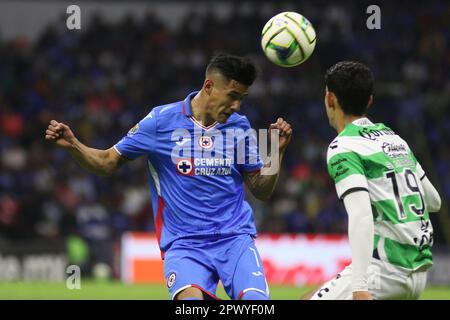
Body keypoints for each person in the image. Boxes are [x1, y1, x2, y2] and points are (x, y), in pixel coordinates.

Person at [45, 53, 292, 300]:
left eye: (242, 99)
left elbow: (262, 191)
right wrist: (75, 145)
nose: (237, 106)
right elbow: (107, 162)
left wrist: (275, 151)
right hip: (185, 245)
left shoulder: (240, 126)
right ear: (209, 86)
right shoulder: (160, 121)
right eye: (232, 96)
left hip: (235, 239)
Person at [305, 61, 441, 300]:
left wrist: (360, 286)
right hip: (418, 272)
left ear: (329, 98)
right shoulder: (393, 139)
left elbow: (361, 215)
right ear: (369, 101)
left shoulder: (343, 146)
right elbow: (434, 201)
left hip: (384, 271)